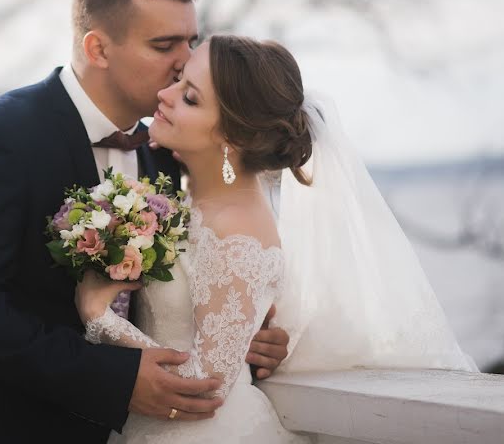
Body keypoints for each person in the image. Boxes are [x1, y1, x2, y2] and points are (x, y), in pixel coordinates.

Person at [0, 0, 291, 444]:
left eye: (190, 41)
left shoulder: (173, 153)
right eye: (164, 45)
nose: (185, 60)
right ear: (98, 48)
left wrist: (251, 342)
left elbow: (205, 290)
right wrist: (115, 377)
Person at [75, 35, 475, 444]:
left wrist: (98, 317)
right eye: (178, 80)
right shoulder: (186, 198)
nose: (165, 93)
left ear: (231, 137)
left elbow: (207, 384)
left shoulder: (239, 229)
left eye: (190, 97)